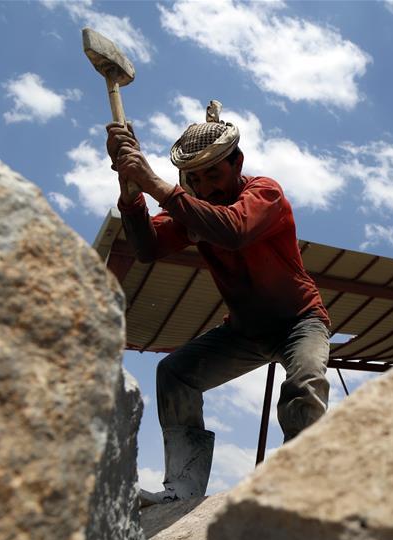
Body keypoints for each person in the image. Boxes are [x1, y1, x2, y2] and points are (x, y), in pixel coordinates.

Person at [107, 100, 331, 506]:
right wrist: (131, 189)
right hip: (244, 331)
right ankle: (182, 488)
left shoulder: (264, 194)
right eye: (195, 179)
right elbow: (147, 248)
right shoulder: (193, 211)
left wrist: (154, 182)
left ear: (237, 162)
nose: (206, 186)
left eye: (214, 173)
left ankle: (299, 487)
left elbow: (233, 231)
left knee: (304, 384)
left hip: (299, 322)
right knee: (175, 373)